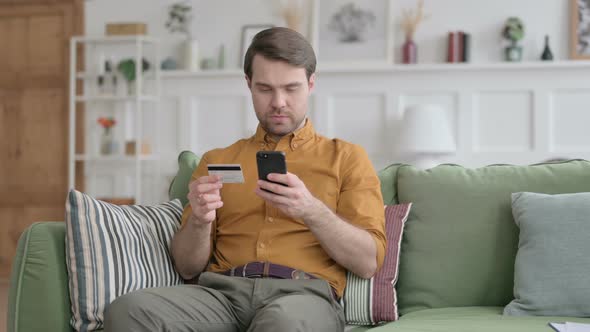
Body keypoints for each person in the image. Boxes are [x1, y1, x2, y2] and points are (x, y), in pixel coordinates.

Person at [104, 27, 386, 332]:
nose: (278, 101)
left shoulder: (346, 157)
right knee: (128, 310)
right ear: (248, 84)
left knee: (280, 323)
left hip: (303, 297)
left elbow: (367, 261)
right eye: (265, 89)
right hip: (221, 295)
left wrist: (310, 209)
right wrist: (199, 221)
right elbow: (187, 266)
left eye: (291, 88)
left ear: (311, 83)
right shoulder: (217, 160)